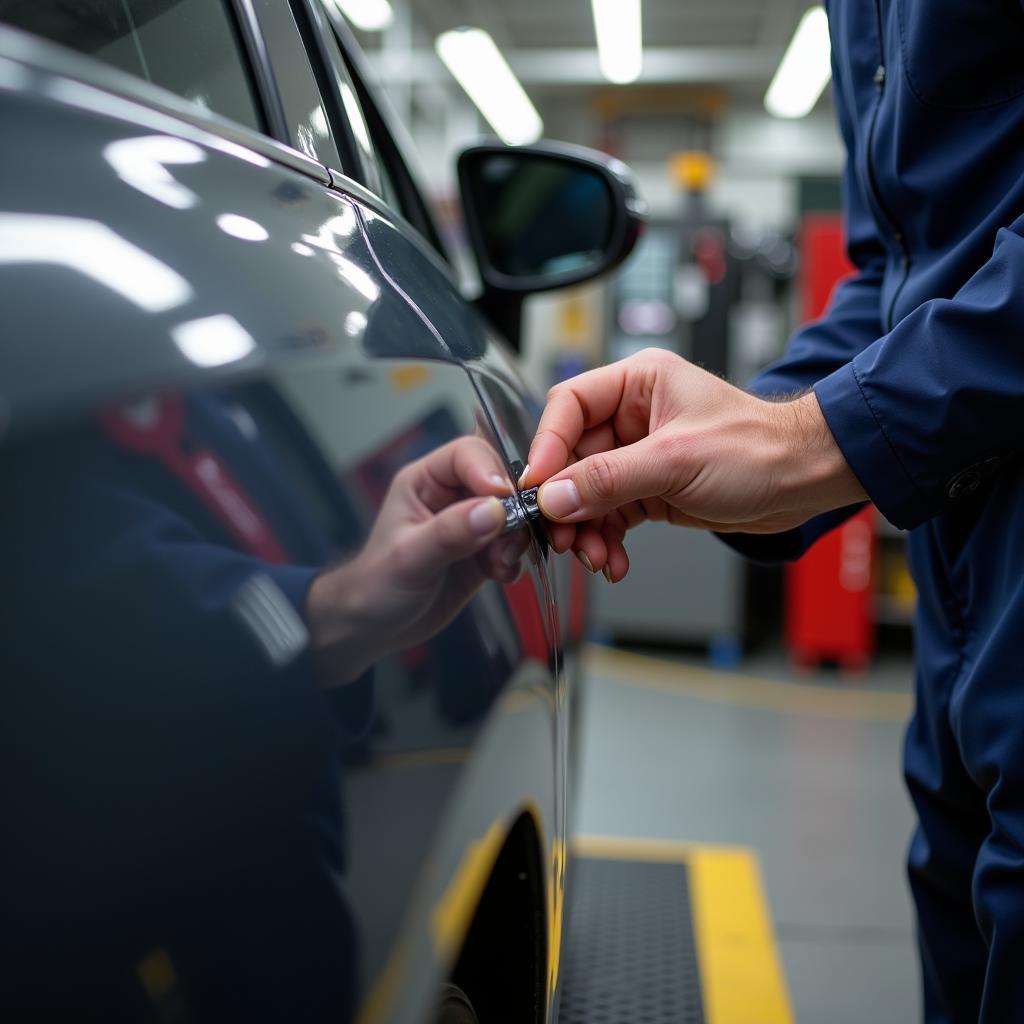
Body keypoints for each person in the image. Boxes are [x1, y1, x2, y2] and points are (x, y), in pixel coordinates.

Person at [521, 3, 1024, 1020]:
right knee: (961, 916)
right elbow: (893, 274)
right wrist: (745, 421)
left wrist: (808, 444)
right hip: (954, 575)